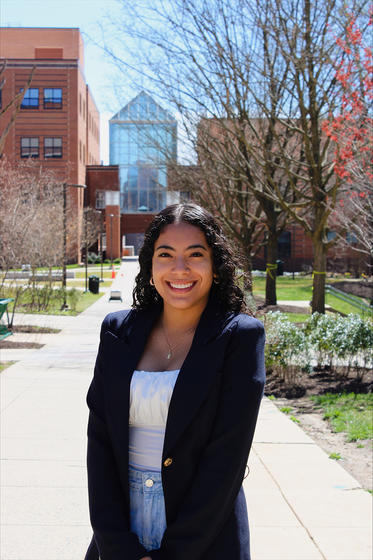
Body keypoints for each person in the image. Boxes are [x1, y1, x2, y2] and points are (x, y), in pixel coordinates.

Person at [85, 203, 266, 560]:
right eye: (166, 254)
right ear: (150, 266)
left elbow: (226, 460)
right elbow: (100, 441)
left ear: (215, 266)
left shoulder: (240, 338)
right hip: (120, 531)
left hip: (204, 534)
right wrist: (118, 546)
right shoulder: (117, 331)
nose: (179, 268)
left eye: (195, 254)